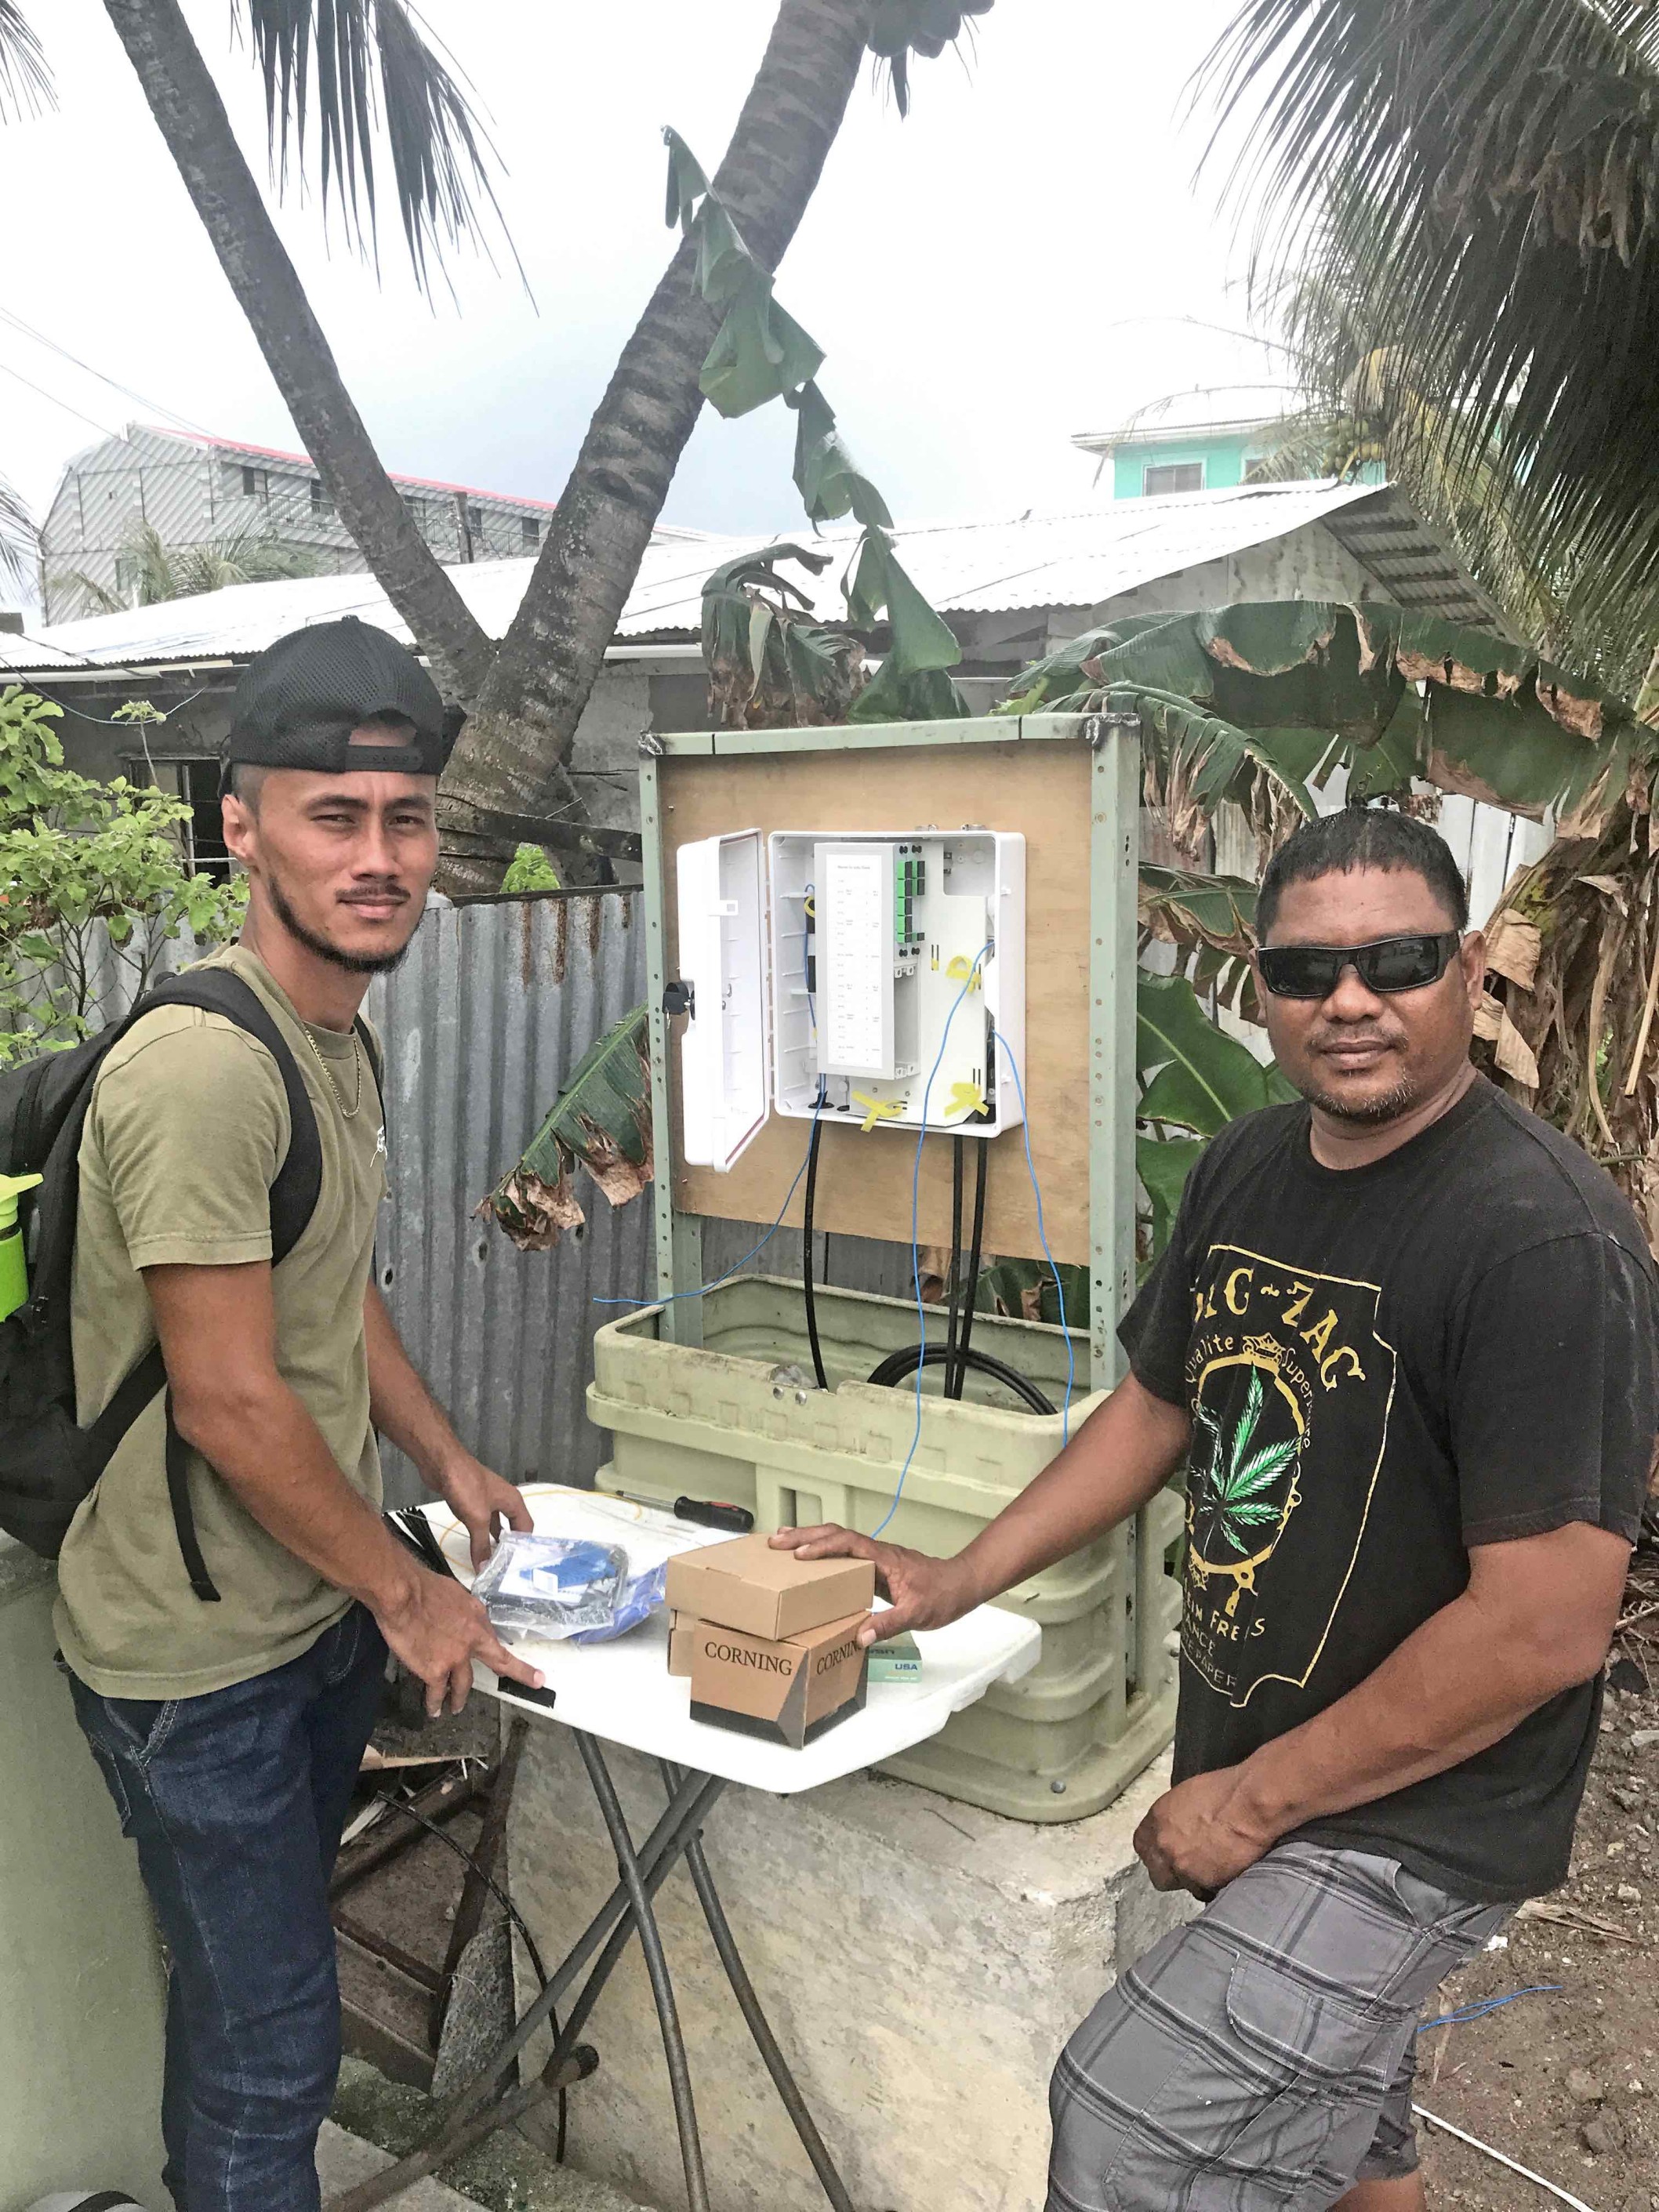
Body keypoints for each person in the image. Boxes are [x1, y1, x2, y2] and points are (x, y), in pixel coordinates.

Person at [775, 806, 1657, 2212]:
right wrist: (954, 1576)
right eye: (1309, 971)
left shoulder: (1539, 1238)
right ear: (1262, 985)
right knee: (1353, 2124)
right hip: (1287, 1755)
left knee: (1133, 2128)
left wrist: (1250, 1800)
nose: (1351, 1000)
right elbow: (1153, 1405)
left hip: (1414, 1807)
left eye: (1399, 960)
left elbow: (1543, 1628)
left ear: (1474, 968)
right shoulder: (1251, 1164)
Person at [57, 618, 544, 2212]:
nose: (380, 855)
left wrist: (444, 1452)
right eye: (334, 816)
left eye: (404, 819)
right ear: (240, 825)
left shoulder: (331, 1033)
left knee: (244, 2007)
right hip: (197, 1666)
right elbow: (231, 1398)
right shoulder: (207, 1070)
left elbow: (327, 1284)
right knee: (274, 2049)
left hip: (299, 1613)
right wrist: (407, 1593)